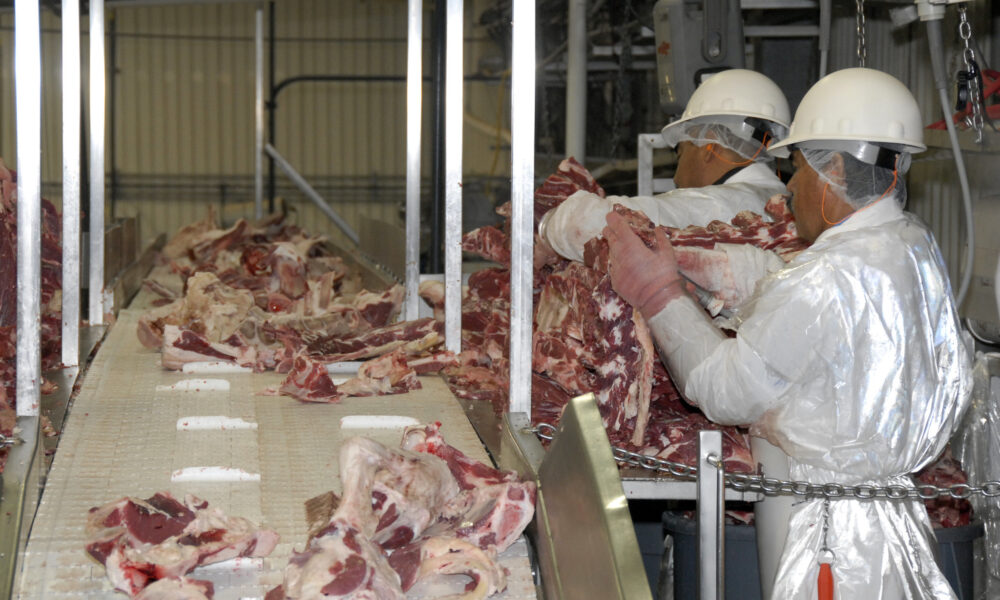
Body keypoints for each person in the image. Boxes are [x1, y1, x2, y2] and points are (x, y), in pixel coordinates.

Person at [604, 67, 973, 598]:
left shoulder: (824, 278)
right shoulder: (912, 243)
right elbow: (829, 330)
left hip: (827, 535)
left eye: (799, 166)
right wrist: (723, 281)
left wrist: (660, 294)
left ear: (838, 170)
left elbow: (724, 389)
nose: (791, 183)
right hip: (883, 518)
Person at [539, 68, 790, 263]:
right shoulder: (779, 199)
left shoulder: (724, 205)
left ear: (709, 147)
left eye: (680, 151)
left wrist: (545, 226)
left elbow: (584, 223)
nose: (676, 172)